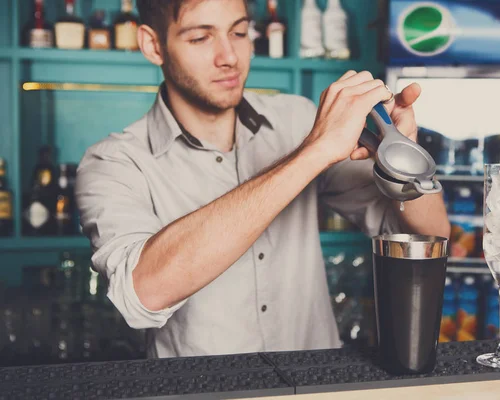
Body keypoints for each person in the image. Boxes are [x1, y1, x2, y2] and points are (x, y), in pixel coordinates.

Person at [75, 0, 450, 358]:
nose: (229, 57)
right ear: (153, 44)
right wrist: (311, 153)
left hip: (315, 386)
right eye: (200, 38)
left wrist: (406, 160)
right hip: (206, 392)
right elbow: (143, 294)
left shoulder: (298, 119)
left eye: (239, 33)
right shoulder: (114, 162)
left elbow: (431, 234)